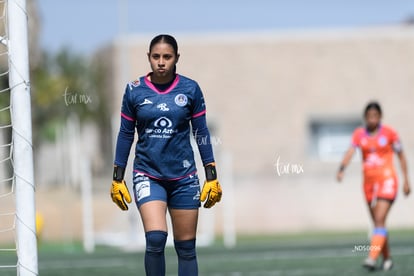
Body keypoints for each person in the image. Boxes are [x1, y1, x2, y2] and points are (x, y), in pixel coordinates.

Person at [110, 34, 222, 276]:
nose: (161, 62)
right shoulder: (134, 91)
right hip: (148, 175)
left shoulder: (190, 89)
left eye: (167, 57)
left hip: (184, 177)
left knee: (186, 248)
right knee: (156, 239)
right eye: (156, 56)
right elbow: (126, 134)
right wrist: (117, 177)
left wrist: (211, 174)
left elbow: (201, 132)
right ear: (148, 58)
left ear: (176, 58)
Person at [337, 101, 410, 271]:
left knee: (378, 221)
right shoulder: (359, 135)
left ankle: (371, 257)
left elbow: (401, 156)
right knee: (379, 223)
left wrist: (406, 180)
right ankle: (387, 259)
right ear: (365, 117)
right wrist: (342, 168)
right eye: (369, 116)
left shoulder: (390, 134)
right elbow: (350, 151)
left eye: (375, 116)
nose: (372, 120)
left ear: (380, 117)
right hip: (368, 184)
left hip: (387, 180)